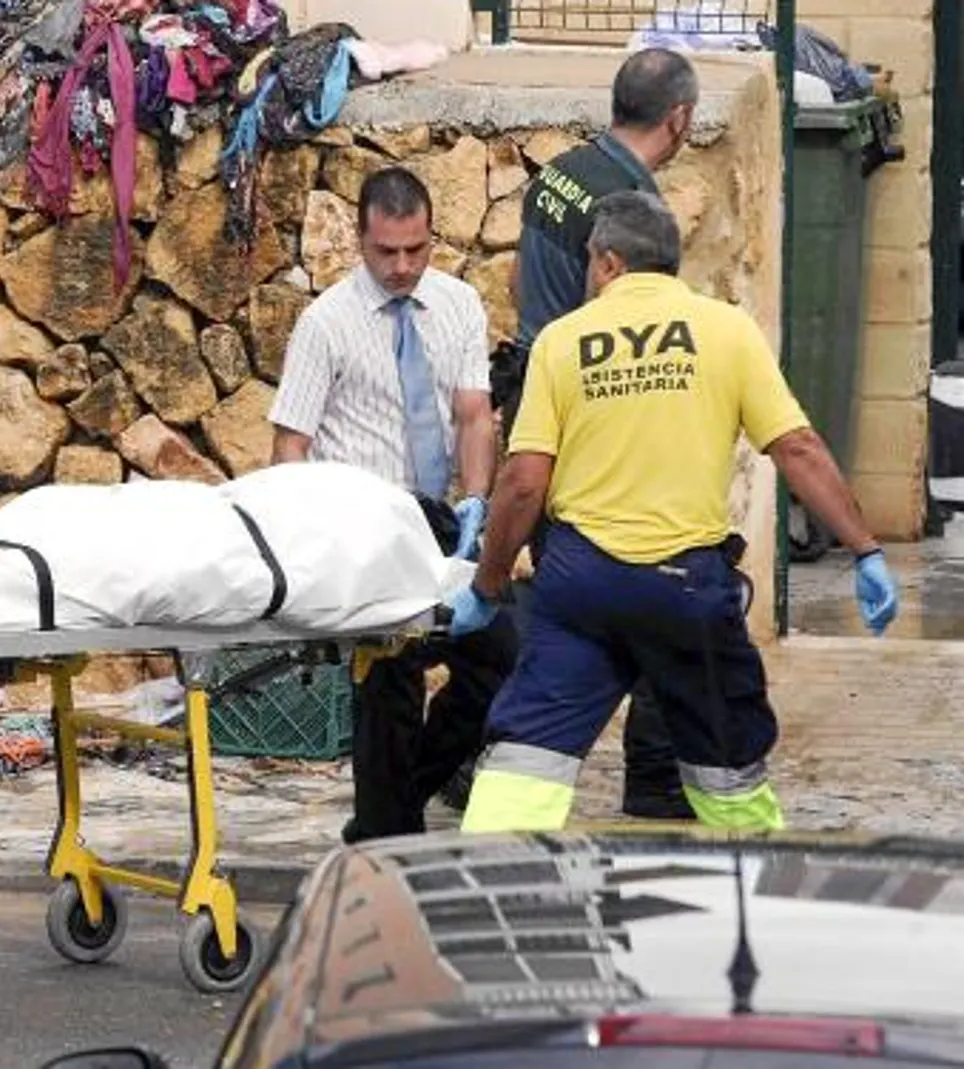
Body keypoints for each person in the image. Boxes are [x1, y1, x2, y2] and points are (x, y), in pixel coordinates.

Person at [449, 190, 898, 832]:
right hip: (685, 588)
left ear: (606, 263)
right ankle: (755, 890)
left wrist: (488, 585)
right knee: (726, 761)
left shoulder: (561, 340)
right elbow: (796, 446)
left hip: (582, 585)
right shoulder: (727, 331)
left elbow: (523, 483)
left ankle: (485, 894)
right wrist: (866, 550)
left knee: (526, 758)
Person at [267, 166, 518, 844]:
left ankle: (397, 806)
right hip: (362, 526)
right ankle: (385, 833)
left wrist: (477, 506)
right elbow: (290, 443)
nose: (403, 266)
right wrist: (304, 544)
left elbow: (473, 414)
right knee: (392, 684)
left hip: (436, 520)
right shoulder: (327, 325)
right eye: (387, 252)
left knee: (504, 651)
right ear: (359, 240)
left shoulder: (459, 304)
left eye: (416, 249)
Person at [496, 47, 702, 821]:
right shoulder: (633, 205)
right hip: (590, 416)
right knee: (652, 586)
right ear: (678, 118)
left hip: (533, 391)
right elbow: (632, 329)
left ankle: (479, 755)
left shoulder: (561, 172)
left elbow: (520, 280)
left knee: (559, 600)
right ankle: (651, 775)